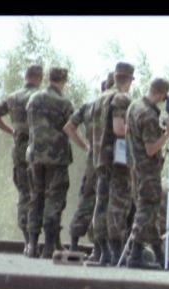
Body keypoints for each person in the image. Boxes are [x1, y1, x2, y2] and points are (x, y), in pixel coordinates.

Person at [0, 63, 44, 255]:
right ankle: (36, 242)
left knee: (23, 194)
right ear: (39, 77)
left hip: (19, 150)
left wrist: (11, 131)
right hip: (38, 151)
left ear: (26, 76)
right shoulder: (40, 97)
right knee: (38, 194)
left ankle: (27, 242)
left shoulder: (12, 97)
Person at [125, 77, 169, 269]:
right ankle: (135, 256)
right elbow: (150, 148)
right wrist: (166, 134)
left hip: (136, 168)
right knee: (145, 211)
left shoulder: (134, 106)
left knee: (151, 213)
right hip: (147, 170)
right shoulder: (148, 115)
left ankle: (159, 255)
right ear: (161, 94)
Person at [24, 67, 74, 261]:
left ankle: (32, 245)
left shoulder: (33, 99)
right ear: (63, 80)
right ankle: (49, 247)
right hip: (57, 157)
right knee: (54, 200)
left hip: (35, 155)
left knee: (35, 199)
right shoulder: (64, 102)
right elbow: (70, 126)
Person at [89, 62, 136, 267]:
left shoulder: (99, 99)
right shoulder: (121, 98)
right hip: (118, 160)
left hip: (100, 159)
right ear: (129, 79)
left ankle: (102, 252)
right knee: (118, 204)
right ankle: (117, 252)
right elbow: (119, 129)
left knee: (101, 204)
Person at [62, 73, 113, 254]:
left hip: (93, 159)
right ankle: (101, 249)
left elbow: (69, 127)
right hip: (110, 160)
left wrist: (85, 145)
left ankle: (75, 244)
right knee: (107, 203)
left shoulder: (88, 106)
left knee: (87, 201)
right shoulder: (117, 104)